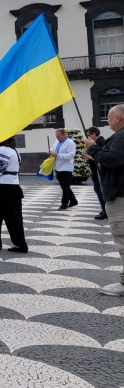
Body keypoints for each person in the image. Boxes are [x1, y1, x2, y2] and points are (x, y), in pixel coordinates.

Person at [85, 104, 124, 296]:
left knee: (122, 238)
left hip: (120, 196)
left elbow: (113, 159)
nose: (107, 122)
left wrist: (93, 149)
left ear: (118, 117)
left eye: (109, 118)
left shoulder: (121, 136)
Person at [82, 127, 107, 220]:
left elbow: (100, 158)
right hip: (95, 171)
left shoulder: (101, 142)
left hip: (98, 171)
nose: (88, 137)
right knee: (98, 191)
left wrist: (87, 156)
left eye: (89, 135)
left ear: (95, 134)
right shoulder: (98, 142)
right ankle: (104, 209)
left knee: (100, 191)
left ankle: (105, 210)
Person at [51, 128, 78, 211]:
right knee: (64, 186)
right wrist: (50, 152)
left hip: (66, 168)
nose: (57, 138)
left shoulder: (70, 143)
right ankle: (73, 200)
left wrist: (58, 155)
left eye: (58, 136)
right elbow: (53, 149)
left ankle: (64, 204)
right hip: (58, 167)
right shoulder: (57, 142)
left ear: (63, 135)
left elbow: (71, 155)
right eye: (56, 136)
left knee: (65, 187)